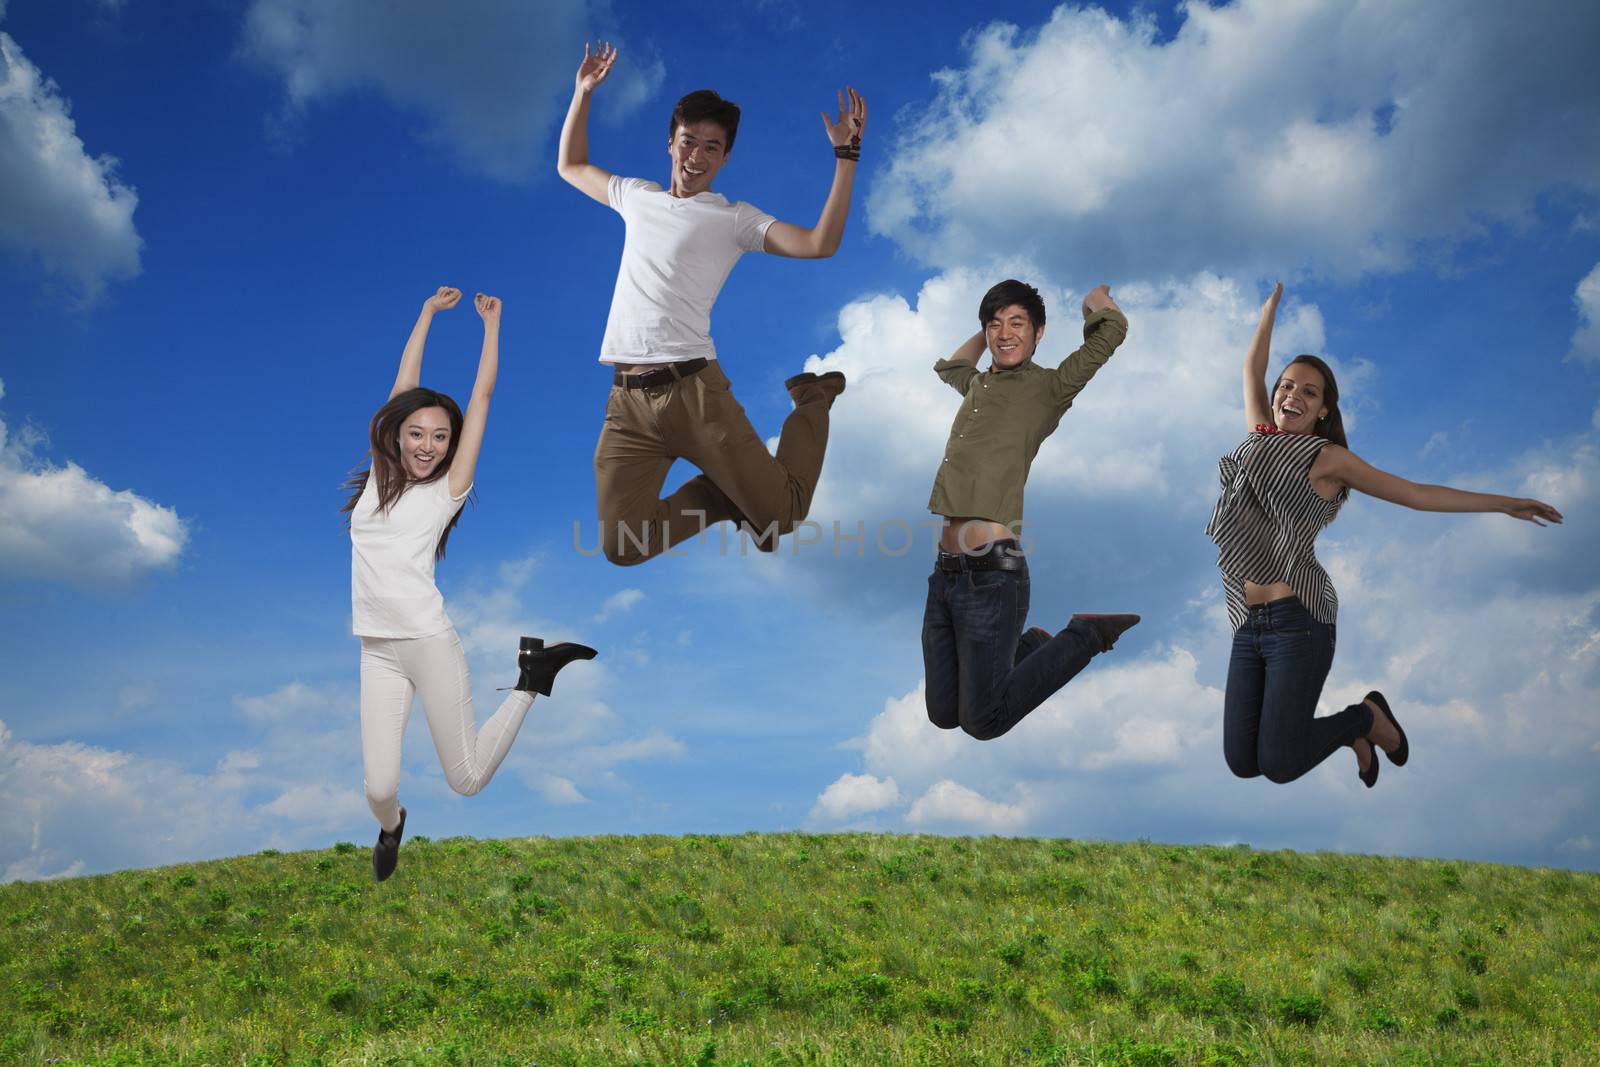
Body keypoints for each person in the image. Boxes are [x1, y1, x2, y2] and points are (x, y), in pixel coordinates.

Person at [1206, 282, 1563, 788]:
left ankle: (1365, 718)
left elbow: (1415, 493)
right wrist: (1268, 314)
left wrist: (1504, 503)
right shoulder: (1258, 436)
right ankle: (1354, 731)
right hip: (1247, 622)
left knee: (1281, 763)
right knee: (1244, 762)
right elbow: (1251, 371)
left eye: (1309, 391)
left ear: (1324, 410)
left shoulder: (1328, 460)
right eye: (1287, 385)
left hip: (1299, 622)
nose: (1292, 395)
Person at [557, 42, 865, 564]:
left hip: (693, 392)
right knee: (622, 547)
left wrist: (846, 157)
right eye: (688, 142)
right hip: (627, 406)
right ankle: (721, 495)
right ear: (670, 144)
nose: (696, 156)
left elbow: (820, 244)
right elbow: (571, 165)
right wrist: (582, 93)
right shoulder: (636, 195)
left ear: (725, 157)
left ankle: (812, 399)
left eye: (711, 148)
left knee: (781, 516)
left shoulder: (733, 219)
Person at [342, 287, 597, 881]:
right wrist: (427, 313)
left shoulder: (445, 491)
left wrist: (491, 327)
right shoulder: (379, 477)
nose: (427, 445)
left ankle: (532, 679)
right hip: (377, 649)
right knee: (378, 787)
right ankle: (391, 826)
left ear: (451, 445)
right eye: (416, 433)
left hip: (428, 642)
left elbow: (481, 396)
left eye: (440, 436)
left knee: (467, 781)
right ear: (397, 435)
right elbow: (404, 386)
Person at [922, 279, 1140, 741]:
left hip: (992, 576)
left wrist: (1097, 301)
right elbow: (952, 366)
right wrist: (988, 331)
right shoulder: (977, 385)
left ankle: (1086, 636)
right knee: (944, 714)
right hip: (945, 574)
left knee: (982, 722)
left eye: (1017, 324)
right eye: (995, 324)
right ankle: (1032, 647)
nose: (1005, 333)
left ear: (1039, 333)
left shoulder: (1048, 388)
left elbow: (1112, 332)